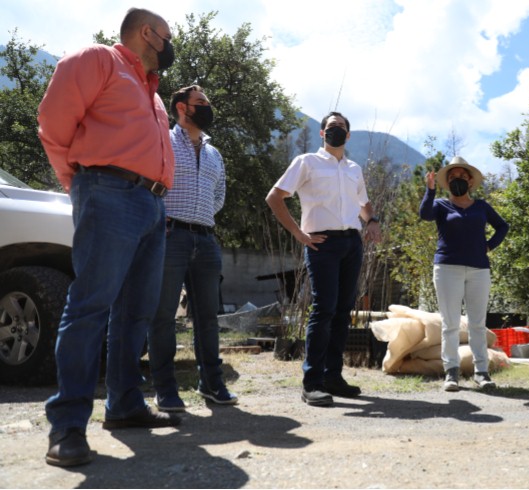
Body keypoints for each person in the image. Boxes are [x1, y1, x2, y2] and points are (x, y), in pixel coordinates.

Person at [37, 8, 181, 467]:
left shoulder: (154, 95)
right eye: (168, 37)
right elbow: (53, 122)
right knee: (91, 306)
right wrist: (80, 183)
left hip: (153, 205)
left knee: (135, 312)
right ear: (147, 34)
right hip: (108, 191)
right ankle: (67, 425)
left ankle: (123, 405)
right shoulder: (99, 60)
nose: (171, 46)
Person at [265, 111, 382, 407]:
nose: (336, 131)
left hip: (351, 244)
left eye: (341, 127)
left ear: (349, 134)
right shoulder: (306, 162)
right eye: (331, 127)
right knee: (323, 309)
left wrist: (372, 221)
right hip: (321, 244)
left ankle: (333, 378)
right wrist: (298, 234)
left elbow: (364, 203)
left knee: (343, 312)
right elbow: (275, 198)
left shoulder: (354, 168)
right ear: (321, 133)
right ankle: (312, 383)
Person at [147, 85, 237, 412]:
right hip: (170, 236)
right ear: (182, 107)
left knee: (207, 318)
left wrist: (200, 218)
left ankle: (212, 383)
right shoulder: (164, 140)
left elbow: (220, 196)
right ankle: (165, 388)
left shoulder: (215, 153)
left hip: (206, 240)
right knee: (163, 316)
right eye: (201, 103)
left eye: (208, 103)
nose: (207, 107)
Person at [420, 156, 509, 392]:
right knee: (450, 324)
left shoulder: (482, 207)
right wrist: (429, 190)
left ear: (470, 181)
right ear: (446, 183)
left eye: (461, 176)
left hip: (479, 269)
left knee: (477, 324)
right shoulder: (440, 205)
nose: (457, 180)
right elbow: (425, 214)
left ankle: (482, 372)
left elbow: (503, 226)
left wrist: (489, 245)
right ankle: (452, 373)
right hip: (447, 268)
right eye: (452, 177)